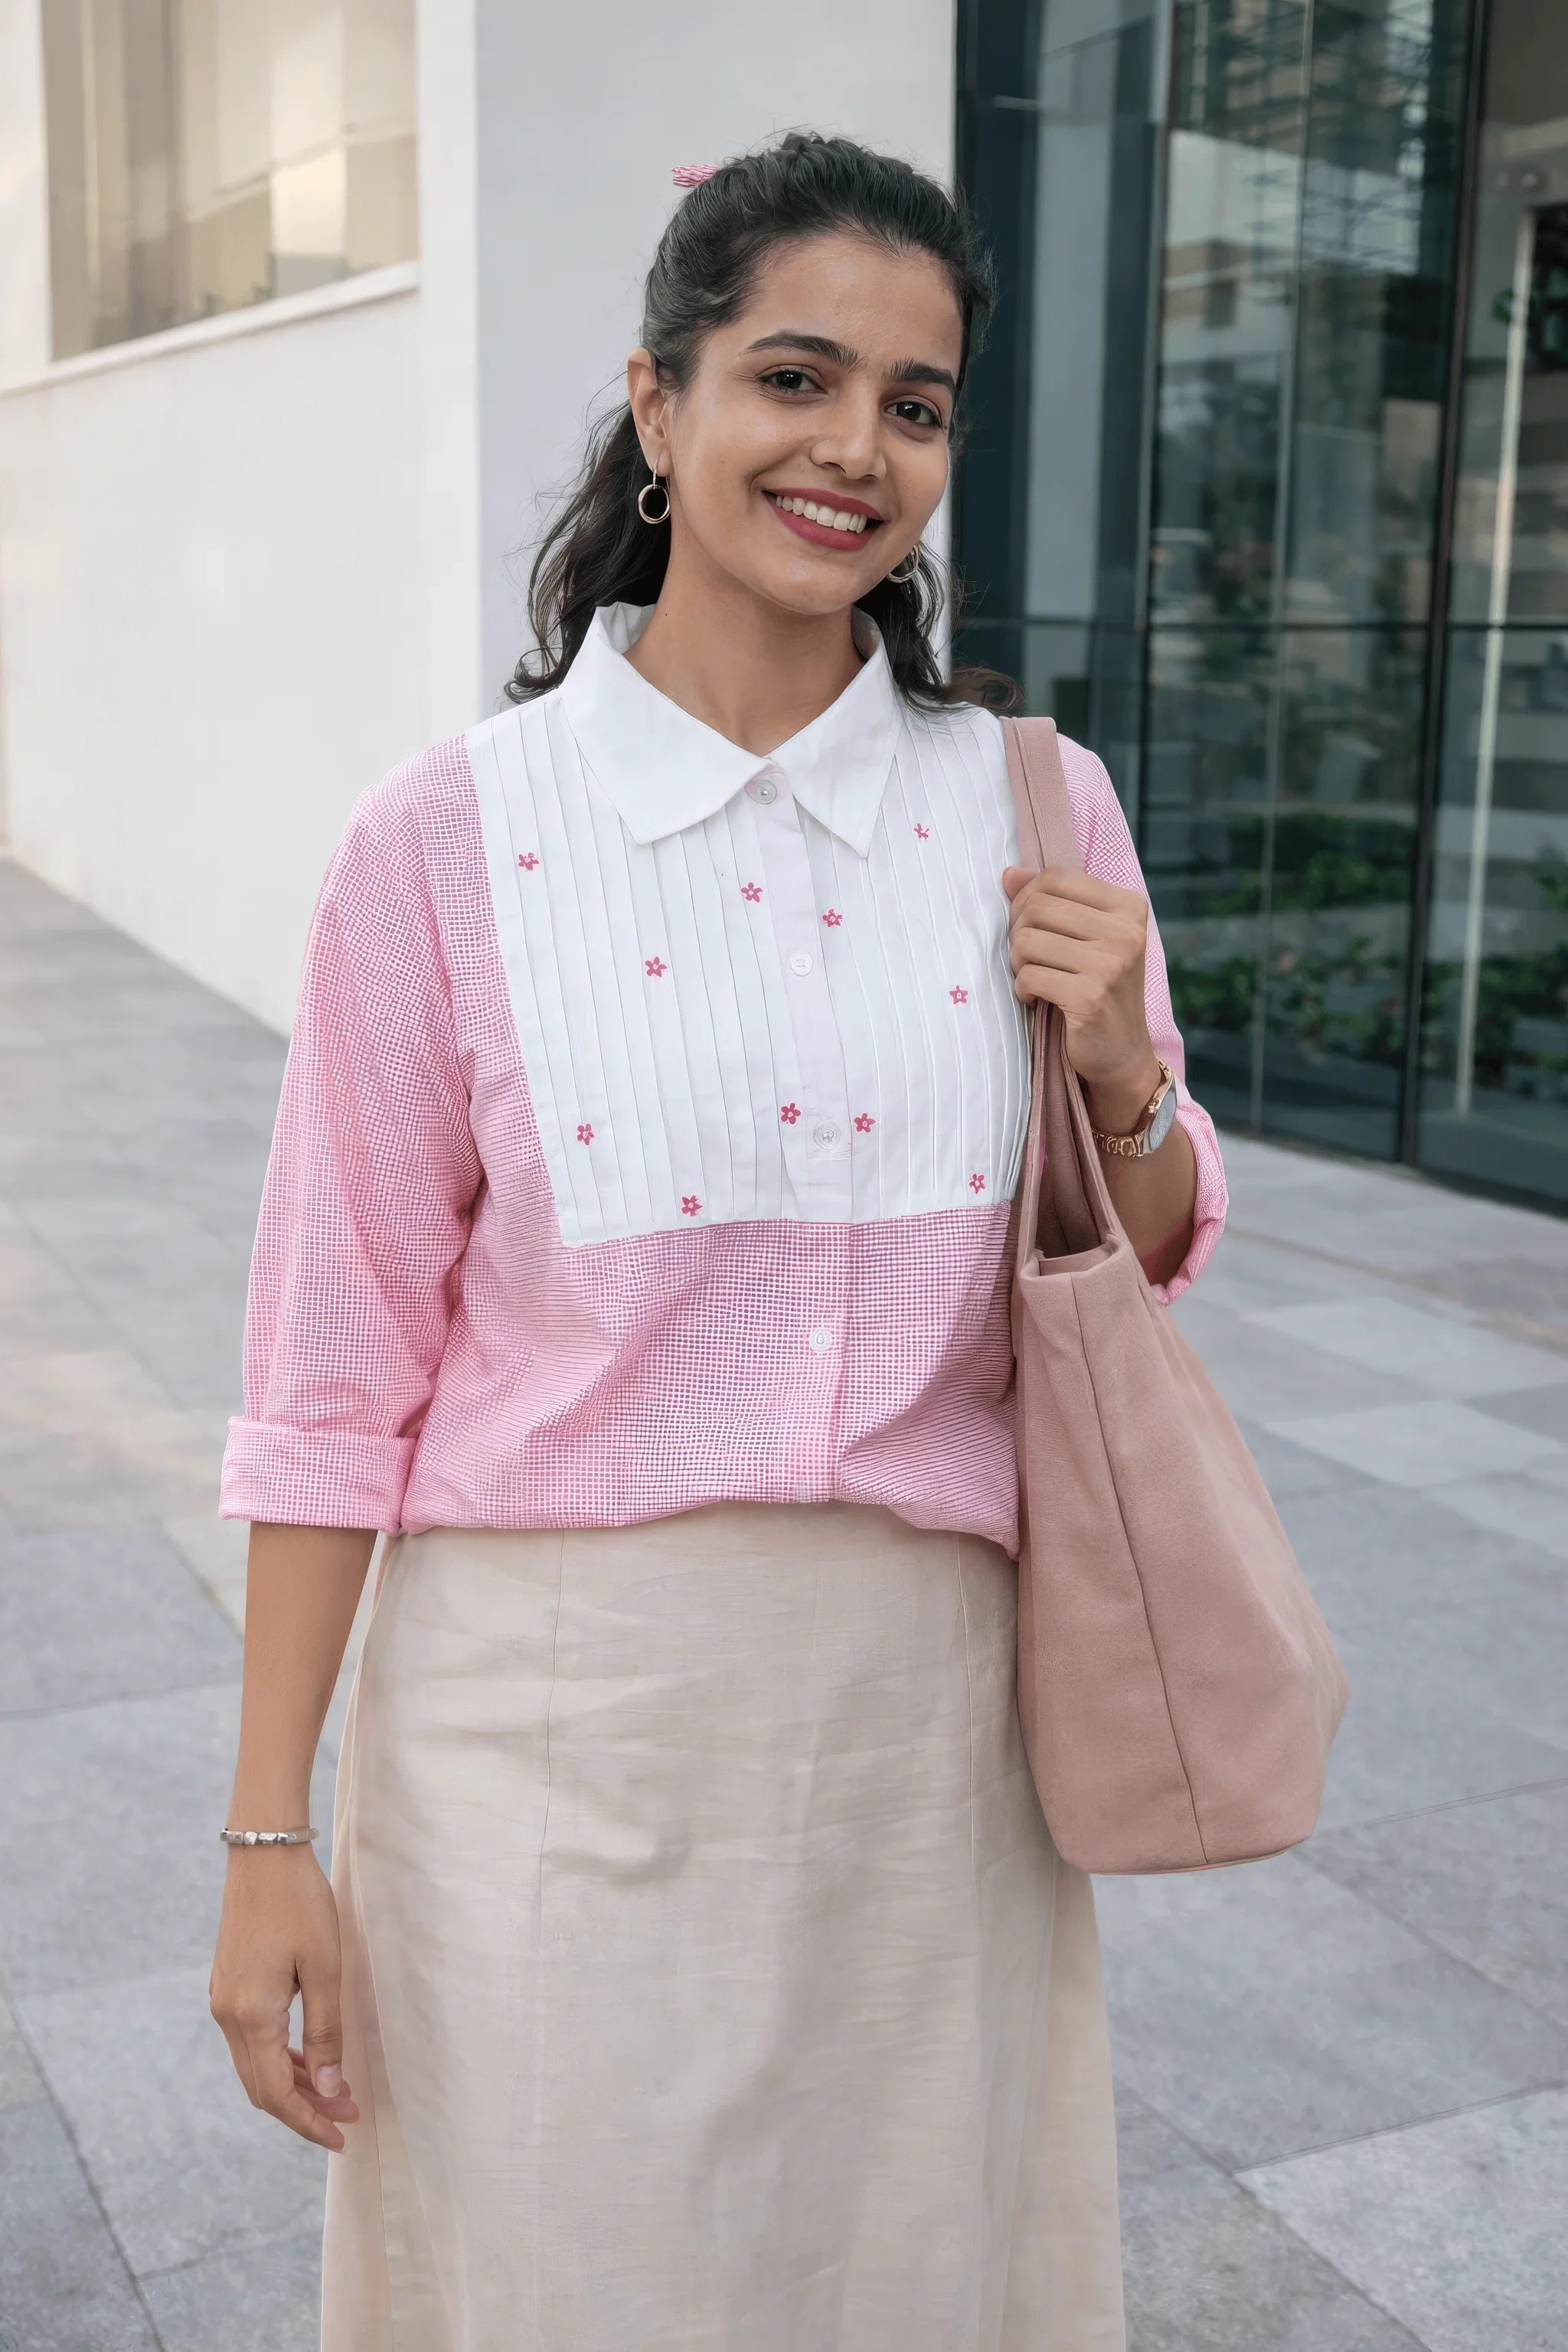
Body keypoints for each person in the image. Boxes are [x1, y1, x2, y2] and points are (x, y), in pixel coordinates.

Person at [209, 132, 1227, 2352]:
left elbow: (1138, 1249)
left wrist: (1128, 1067)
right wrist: (269, 1843)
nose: (858, 449)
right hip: (548, 1754)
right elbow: (331, 1373)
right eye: (796, 377)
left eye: (920, 403)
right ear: (661, 408)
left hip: (926, 1752)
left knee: (904, 2283)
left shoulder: (1030, 807)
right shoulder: (449, 845)